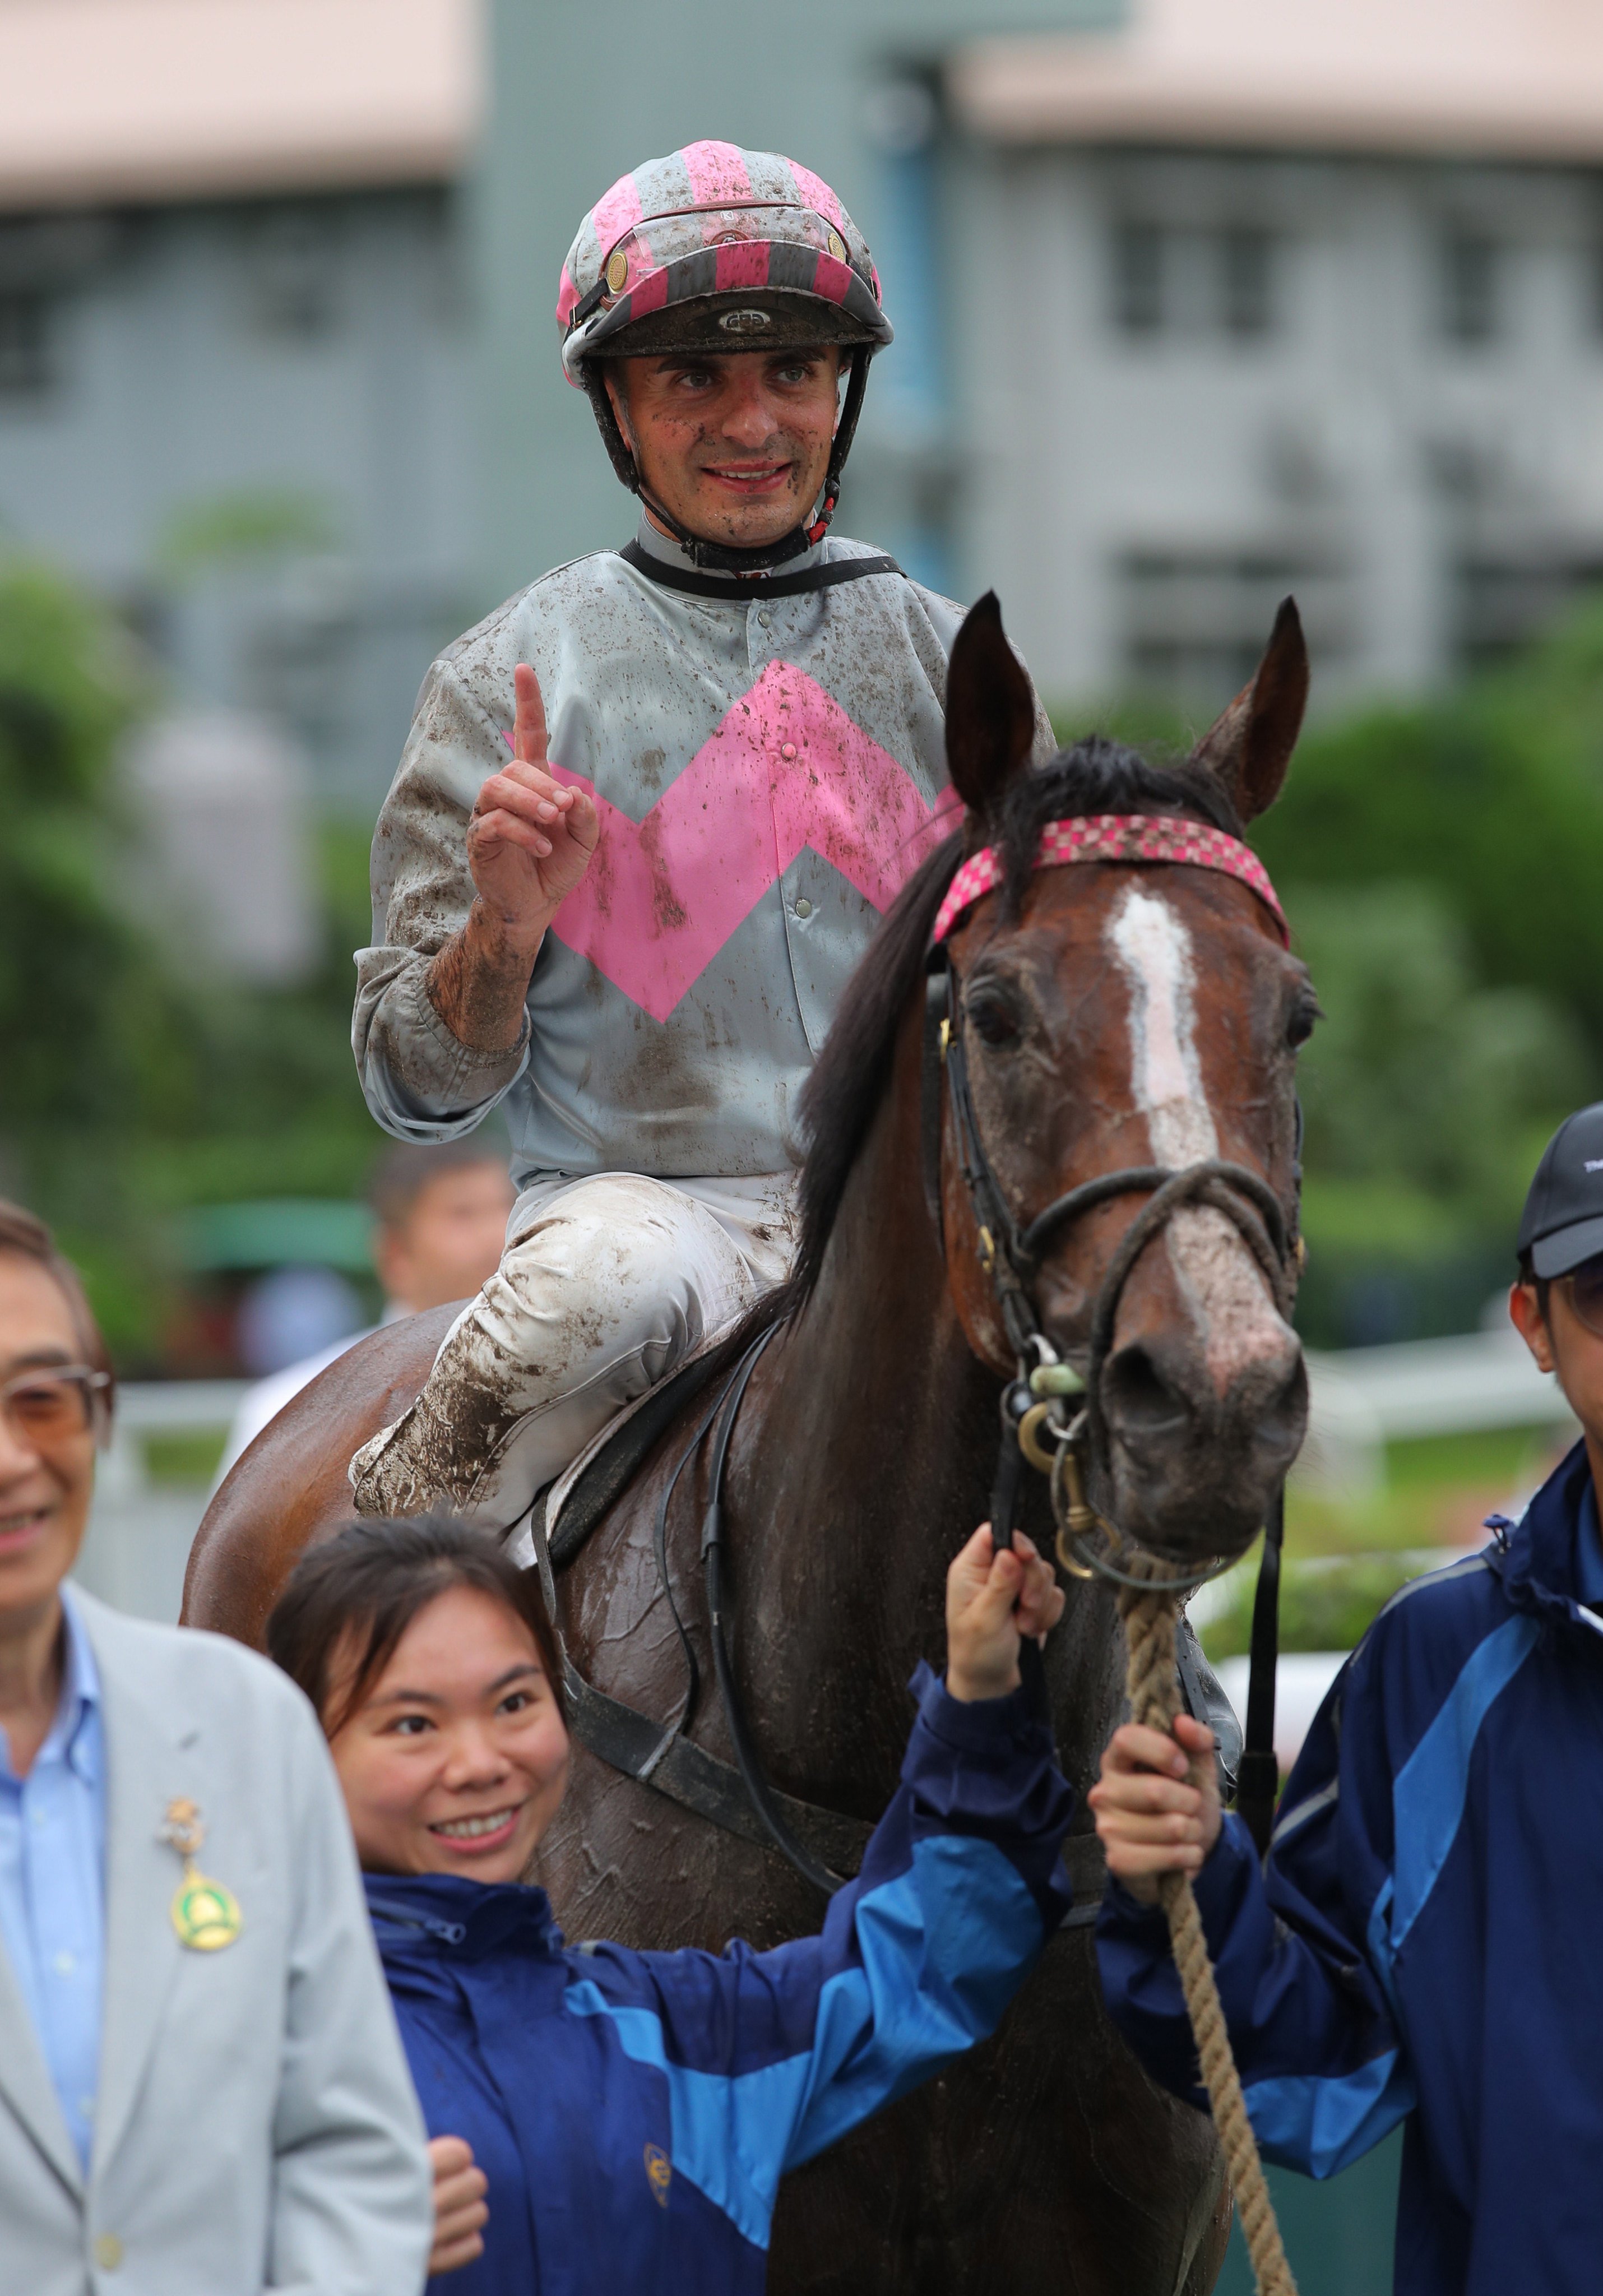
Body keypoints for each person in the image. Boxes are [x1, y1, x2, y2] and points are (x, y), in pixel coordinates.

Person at [348, 140, 1056, 1527]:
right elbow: (411, 1087)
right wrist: (502, 928)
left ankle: (1184, 1714)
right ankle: (376, 1605)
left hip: (920, 1227)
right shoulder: (503, 681)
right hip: (639, 1228)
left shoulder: (946, 660)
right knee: (596, 1281)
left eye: (794, 371)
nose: (754, 421)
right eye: (693, 376)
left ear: (841, 394)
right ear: (612, 402)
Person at [265, 1510, 1073, 2292]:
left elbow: (928, 1959)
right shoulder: (252, 2053)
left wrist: (982, 1693)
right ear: (303, 1751)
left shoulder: (676, 2033)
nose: (480, 1762)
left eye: (514, 1703)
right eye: (413, 1723)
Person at [1088, 1099, 1603, 2296]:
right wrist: (1188, 1873)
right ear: (1532, 1322)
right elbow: (1311, 2068)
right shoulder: (1433, 1665)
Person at [0, 1196, 434, 2294]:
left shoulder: (246, 1723)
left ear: (98, 1416)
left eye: (43, 1398)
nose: (13, 1459)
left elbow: (351, 2146)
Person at [216, 1141, 515, 1482]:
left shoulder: (573, 1392)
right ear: (395, 1254)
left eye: (511, 1206)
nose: (501, 1234)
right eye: (463, 1214)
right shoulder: (291, 1414)